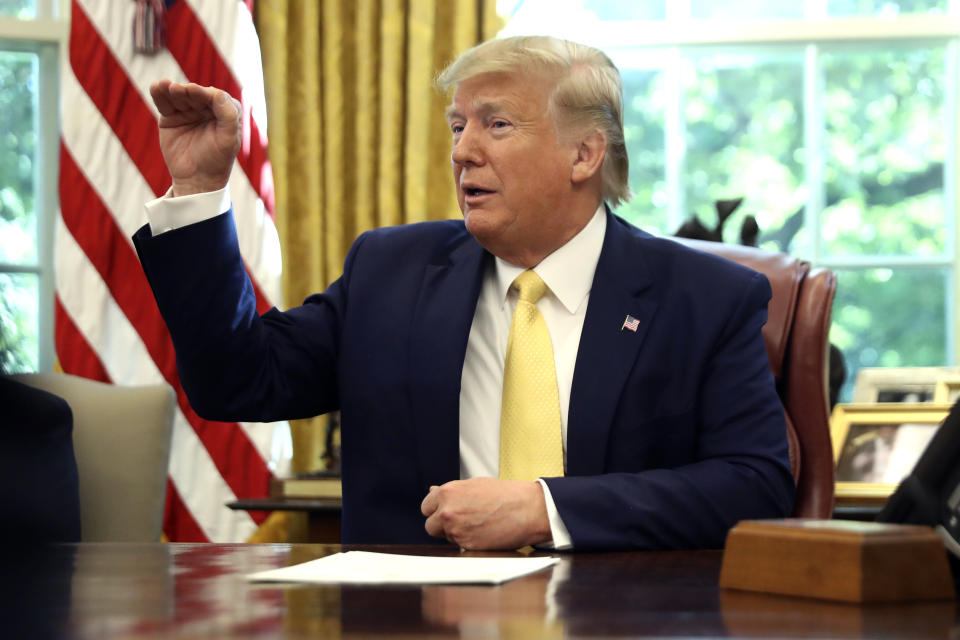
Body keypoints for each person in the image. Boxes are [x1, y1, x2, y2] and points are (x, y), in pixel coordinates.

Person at [133, 35, 794, 550]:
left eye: (496, 125)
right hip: (412, 620)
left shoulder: (704, 300)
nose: (463, 151)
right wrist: (197, 192)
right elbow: (236, 381)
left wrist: (545, 508)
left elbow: (756, 485)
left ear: (585, 155)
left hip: (610, 614)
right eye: (457, 126)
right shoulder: (391, 272)